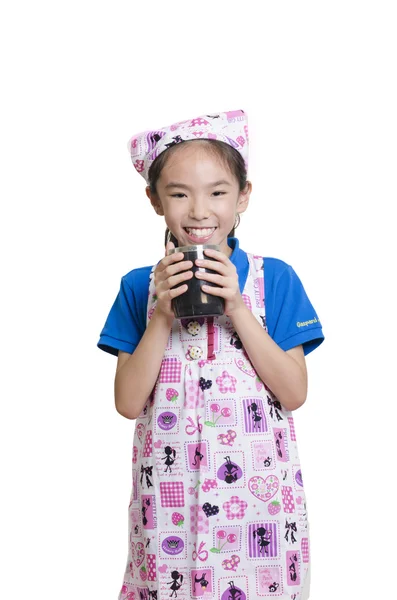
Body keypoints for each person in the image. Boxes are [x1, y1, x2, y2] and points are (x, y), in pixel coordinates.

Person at [97, 109, 324, 600]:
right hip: (168, 509)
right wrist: (160, 314)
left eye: (218, 192)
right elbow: (128, 403)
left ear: (243, 195)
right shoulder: (139, 287)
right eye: (179, 193)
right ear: (155, 200)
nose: (199, 211)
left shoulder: (274, 279)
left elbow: (294, 391)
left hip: (256, 508)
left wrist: (237, 305)